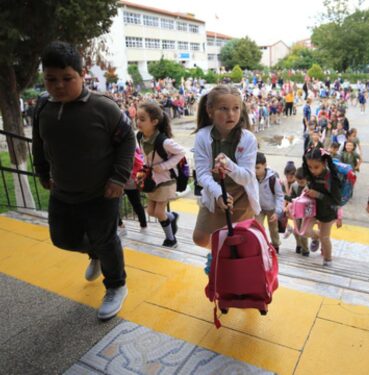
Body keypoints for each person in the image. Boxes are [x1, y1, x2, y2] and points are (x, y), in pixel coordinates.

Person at [32, 41, 135, 320]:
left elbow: (128, 139)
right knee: (62, 239)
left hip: (102, 193)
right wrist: (41, 172)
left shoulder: (103, 107)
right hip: (62, 191)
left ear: (82, 74)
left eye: (67, 78)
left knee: (106, 237)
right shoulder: (43, 106)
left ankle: (116, 285)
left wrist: (118, 178)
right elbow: (38, 144)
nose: (59, 86)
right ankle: (97, 253)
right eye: (51, 79)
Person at [192, 85, 260, 249]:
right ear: (210, 110)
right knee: (200, 237)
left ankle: (226, 263)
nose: (231, 114)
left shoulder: (248, 139)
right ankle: (217, 255)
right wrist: (218, 194)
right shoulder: (203, 136)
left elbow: (246, 177)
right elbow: (202, 174)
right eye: (223, 109)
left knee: (238, 241)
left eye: (236, 108)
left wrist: (228, 164)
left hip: (241, 195)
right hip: (215, 190)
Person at [136, 102, 186, 248]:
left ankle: (171, 239)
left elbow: (181, 152)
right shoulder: (140, 136)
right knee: (151, 211)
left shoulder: (164, 141)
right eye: (137, 118)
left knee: (158, 211)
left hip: (165, 180)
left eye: (142, 119)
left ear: (155, 122)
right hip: (151, 179)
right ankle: (172, 217)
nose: (138, 122)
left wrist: (163, 166)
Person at [302, 147, 342, 266]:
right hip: (313, 209)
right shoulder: (310, 175)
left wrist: (318, 195)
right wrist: (307, 190)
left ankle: (327, 260)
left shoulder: (331, 179)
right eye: (309, 167)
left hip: (328, 212)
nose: (313, 170)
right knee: (305, 231)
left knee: (325, 238)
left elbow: (336, 201)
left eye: (316, 167)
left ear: (324, 163)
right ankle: (316, 237)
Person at [255, 152, 285, 253]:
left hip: (272, 209)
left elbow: (280, 196)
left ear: (265, 165)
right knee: (258, 227)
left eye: (257, 167)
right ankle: (262, 244)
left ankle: (276, 245)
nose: (255, 171)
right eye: (253, 168)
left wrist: (277, 212)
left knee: (273, 229)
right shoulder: (252, 178)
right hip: (259, 208)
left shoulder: (273, 179)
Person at [287, 167, 310, 256]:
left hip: (306, 213)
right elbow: (292, 198)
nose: (300, 184)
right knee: (296, 231)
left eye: (302, 182)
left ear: (307, 179)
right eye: (298, 181)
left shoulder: (310, 187)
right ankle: (299, 244)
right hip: (297, 212)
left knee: (303, 232)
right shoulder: (294, 186)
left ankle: (305, 249)